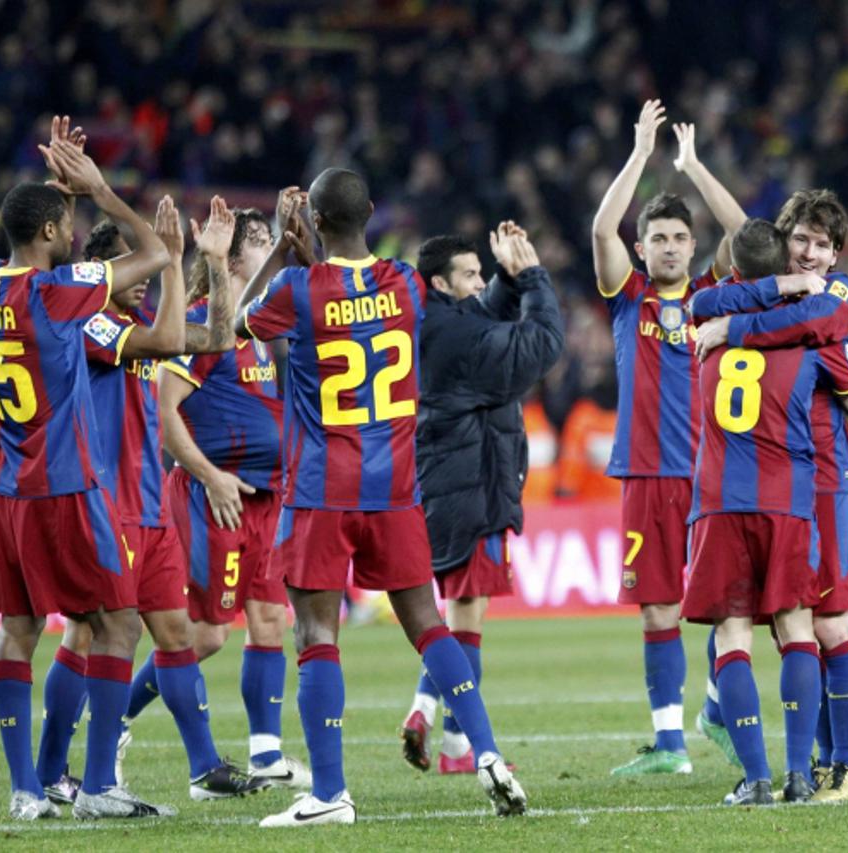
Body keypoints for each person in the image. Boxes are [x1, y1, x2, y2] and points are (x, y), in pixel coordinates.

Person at [237, 168, 526, 826]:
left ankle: (331, 793)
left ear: (310, 219)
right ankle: (486, 752)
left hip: (321, 489)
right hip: (395, 487)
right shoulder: (403, 282)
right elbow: (360, 291)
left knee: (315, 633)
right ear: (370, 209)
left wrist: (286, 246)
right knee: (428, 623)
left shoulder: (297, 288)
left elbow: (238, 322)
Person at [36, 198, 265, 805]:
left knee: (173, 634)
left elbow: (217, 336)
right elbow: (168, 338)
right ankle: (56, 775)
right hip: (105, 504)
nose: (138, 284)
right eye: (130, 272)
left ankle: (203, 766)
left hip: (150, 505)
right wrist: (170, 261)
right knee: (88, 636)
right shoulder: (89, 325)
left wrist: (213, 264)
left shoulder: (136, 328)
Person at [0, 118, 170, 820]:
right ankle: (98, 784)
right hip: (64, 484)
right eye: (66, 223)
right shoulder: (56, 291)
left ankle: (24, 790)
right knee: (118, 623)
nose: (73, 233)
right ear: (47, 231)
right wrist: (102, 188)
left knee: (18, 629)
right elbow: (156, 251)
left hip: (5, 490)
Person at [691, 189, 848, 801]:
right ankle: (812, 762)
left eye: (823, 245)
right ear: (783, 241)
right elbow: (723, 275)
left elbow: (821, 320)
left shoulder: (838, 292)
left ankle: (844, 765)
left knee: (832, 621)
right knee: (799, 627)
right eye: (801, 239)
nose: (812, 253)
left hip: (827, 480)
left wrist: (732, 328)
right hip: (787, 479)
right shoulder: (774, 289)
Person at [593, 100, 747, 775]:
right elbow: (601, 225)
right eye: (657, 238)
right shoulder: (629, 297)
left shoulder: (713, 293)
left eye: (678, 239)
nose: (669, 247)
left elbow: (748, 233)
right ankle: (670, 745)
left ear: (691, 246)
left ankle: (714, 702)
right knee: (657, 606)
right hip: (648, 472)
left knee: (724, 607)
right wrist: (639, 152)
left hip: (711, 472)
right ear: (642, 247)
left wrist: (694, 167)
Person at [159, 191, 311, 790]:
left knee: (271, 618)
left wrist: (288, 234)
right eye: (259, 242)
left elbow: (272, 281)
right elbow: (165, 412)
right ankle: (116, 715)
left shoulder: (255, 329)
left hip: (266, 498)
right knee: (206, 636)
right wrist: (210, 474)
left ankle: (266, 755)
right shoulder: (200, 322)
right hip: (214, 496)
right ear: (229, 252)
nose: (267, 251)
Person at [398, 223, 563, 773]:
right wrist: (535, 278)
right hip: (476, 487)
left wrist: (507, 283)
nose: (479, 283)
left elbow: (483, 313)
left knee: (458, 610)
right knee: (467, 619)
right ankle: (451, 738)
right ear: (442, 284)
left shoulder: (436, 319)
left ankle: (438, 724)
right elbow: (542, 344)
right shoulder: (460, 337)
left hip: (444, 484)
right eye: (470, 275)